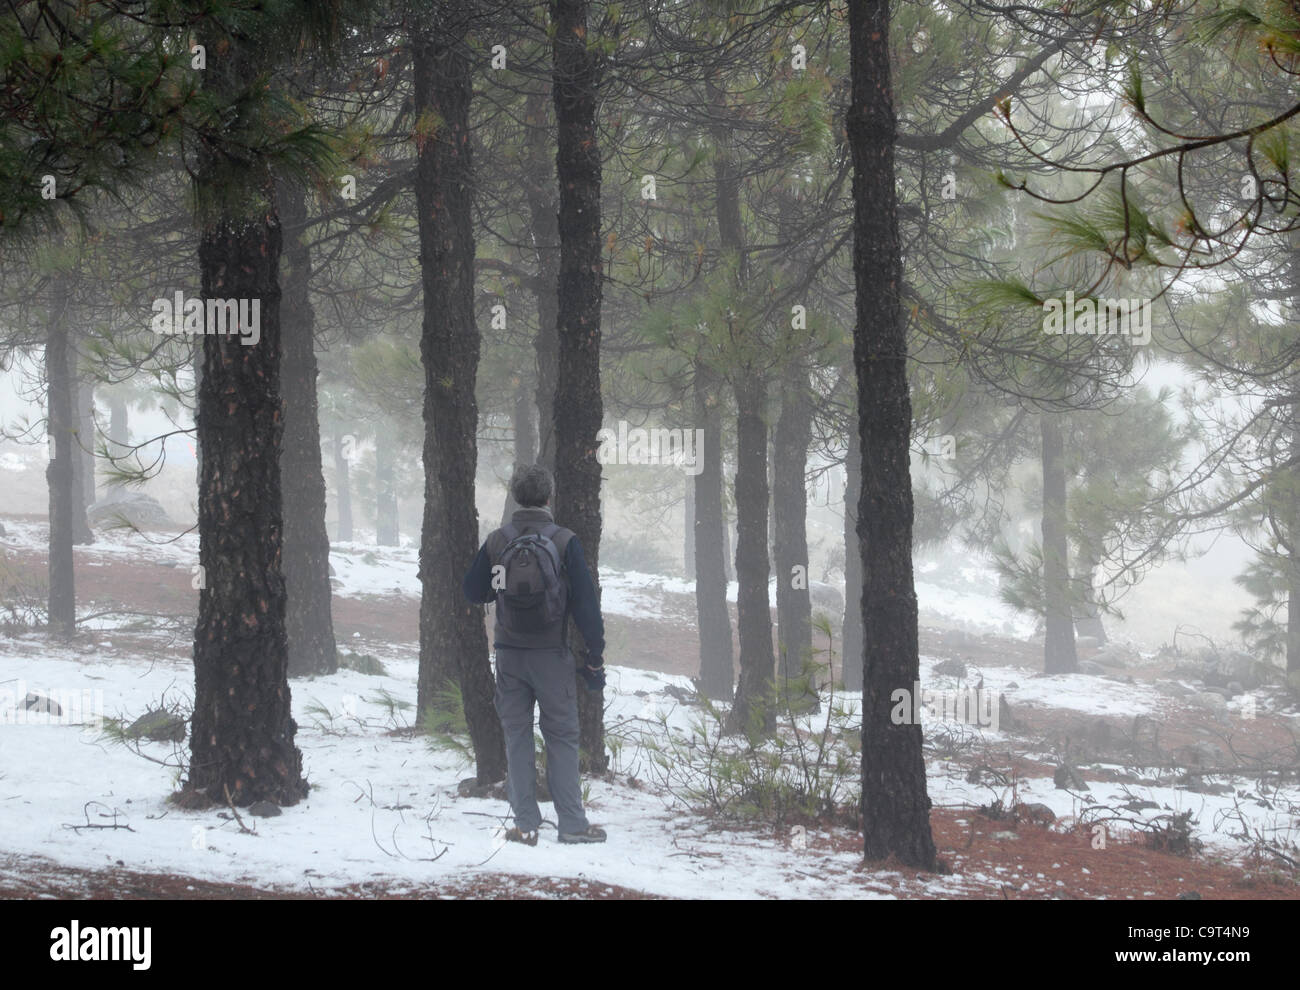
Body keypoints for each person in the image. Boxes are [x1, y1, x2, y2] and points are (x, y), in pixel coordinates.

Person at [462, 464, 608, 845]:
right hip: (552, 656)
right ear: (548, 497)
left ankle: (526, 824)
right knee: (561, 737)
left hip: (509, 656)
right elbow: (585, 604)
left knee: (517, 736)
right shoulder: (563, 541)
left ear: (515, 496)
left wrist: (503, 581)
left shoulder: (498, 541)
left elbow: (476, 592)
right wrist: (595, 653)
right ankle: (572, 824)